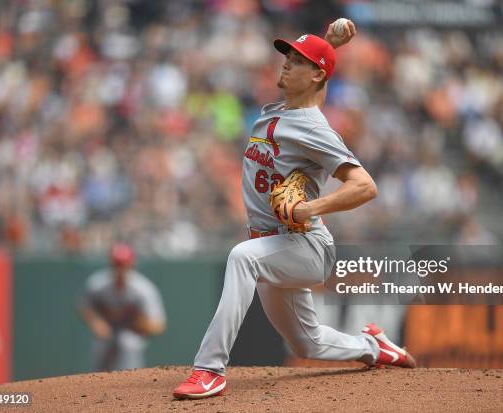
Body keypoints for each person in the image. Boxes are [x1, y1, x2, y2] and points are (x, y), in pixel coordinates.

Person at [173, 20, 415, 399]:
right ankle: (375, 347)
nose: (286, 62)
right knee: (308, 344)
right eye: (287, 55)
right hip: (273, 246)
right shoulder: (281, 110)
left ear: (316, 74)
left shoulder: (314, 128)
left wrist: (309, 208)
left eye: (297, 60)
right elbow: (317, 77)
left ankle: (209, 370)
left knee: (241, 259)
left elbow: (365, 186)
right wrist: (328, 44)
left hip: (304, 244)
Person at [78, 243, 166, 371]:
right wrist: (96, 322)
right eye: (117, 264)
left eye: (123, 264)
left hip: (131, 338)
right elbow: (84, 305)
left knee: (127, 345)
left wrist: (142, 325)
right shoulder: (97, 284)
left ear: (132, 265)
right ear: (111, 264)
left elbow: (159, 325)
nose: (120, 269)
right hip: (106, 340)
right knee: (100, 373)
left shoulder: (144, 289)